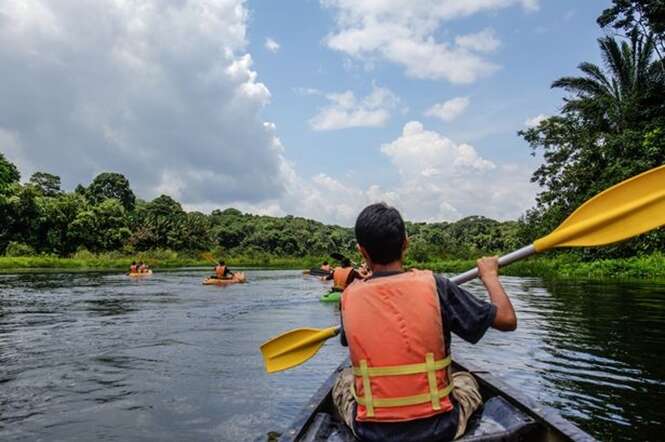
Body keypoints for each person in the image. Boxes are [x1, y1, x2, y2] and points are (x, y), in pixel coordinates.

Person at [333, 203, 517, 442]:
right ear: (406, 243)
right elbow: (507, 320)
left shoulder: (349, 297)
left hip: (371, 432)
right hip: (440, 427)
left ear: (362, 252)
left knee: (344, 380)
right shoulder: (436, 285)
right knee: (466, 380)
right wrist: (490, 277)